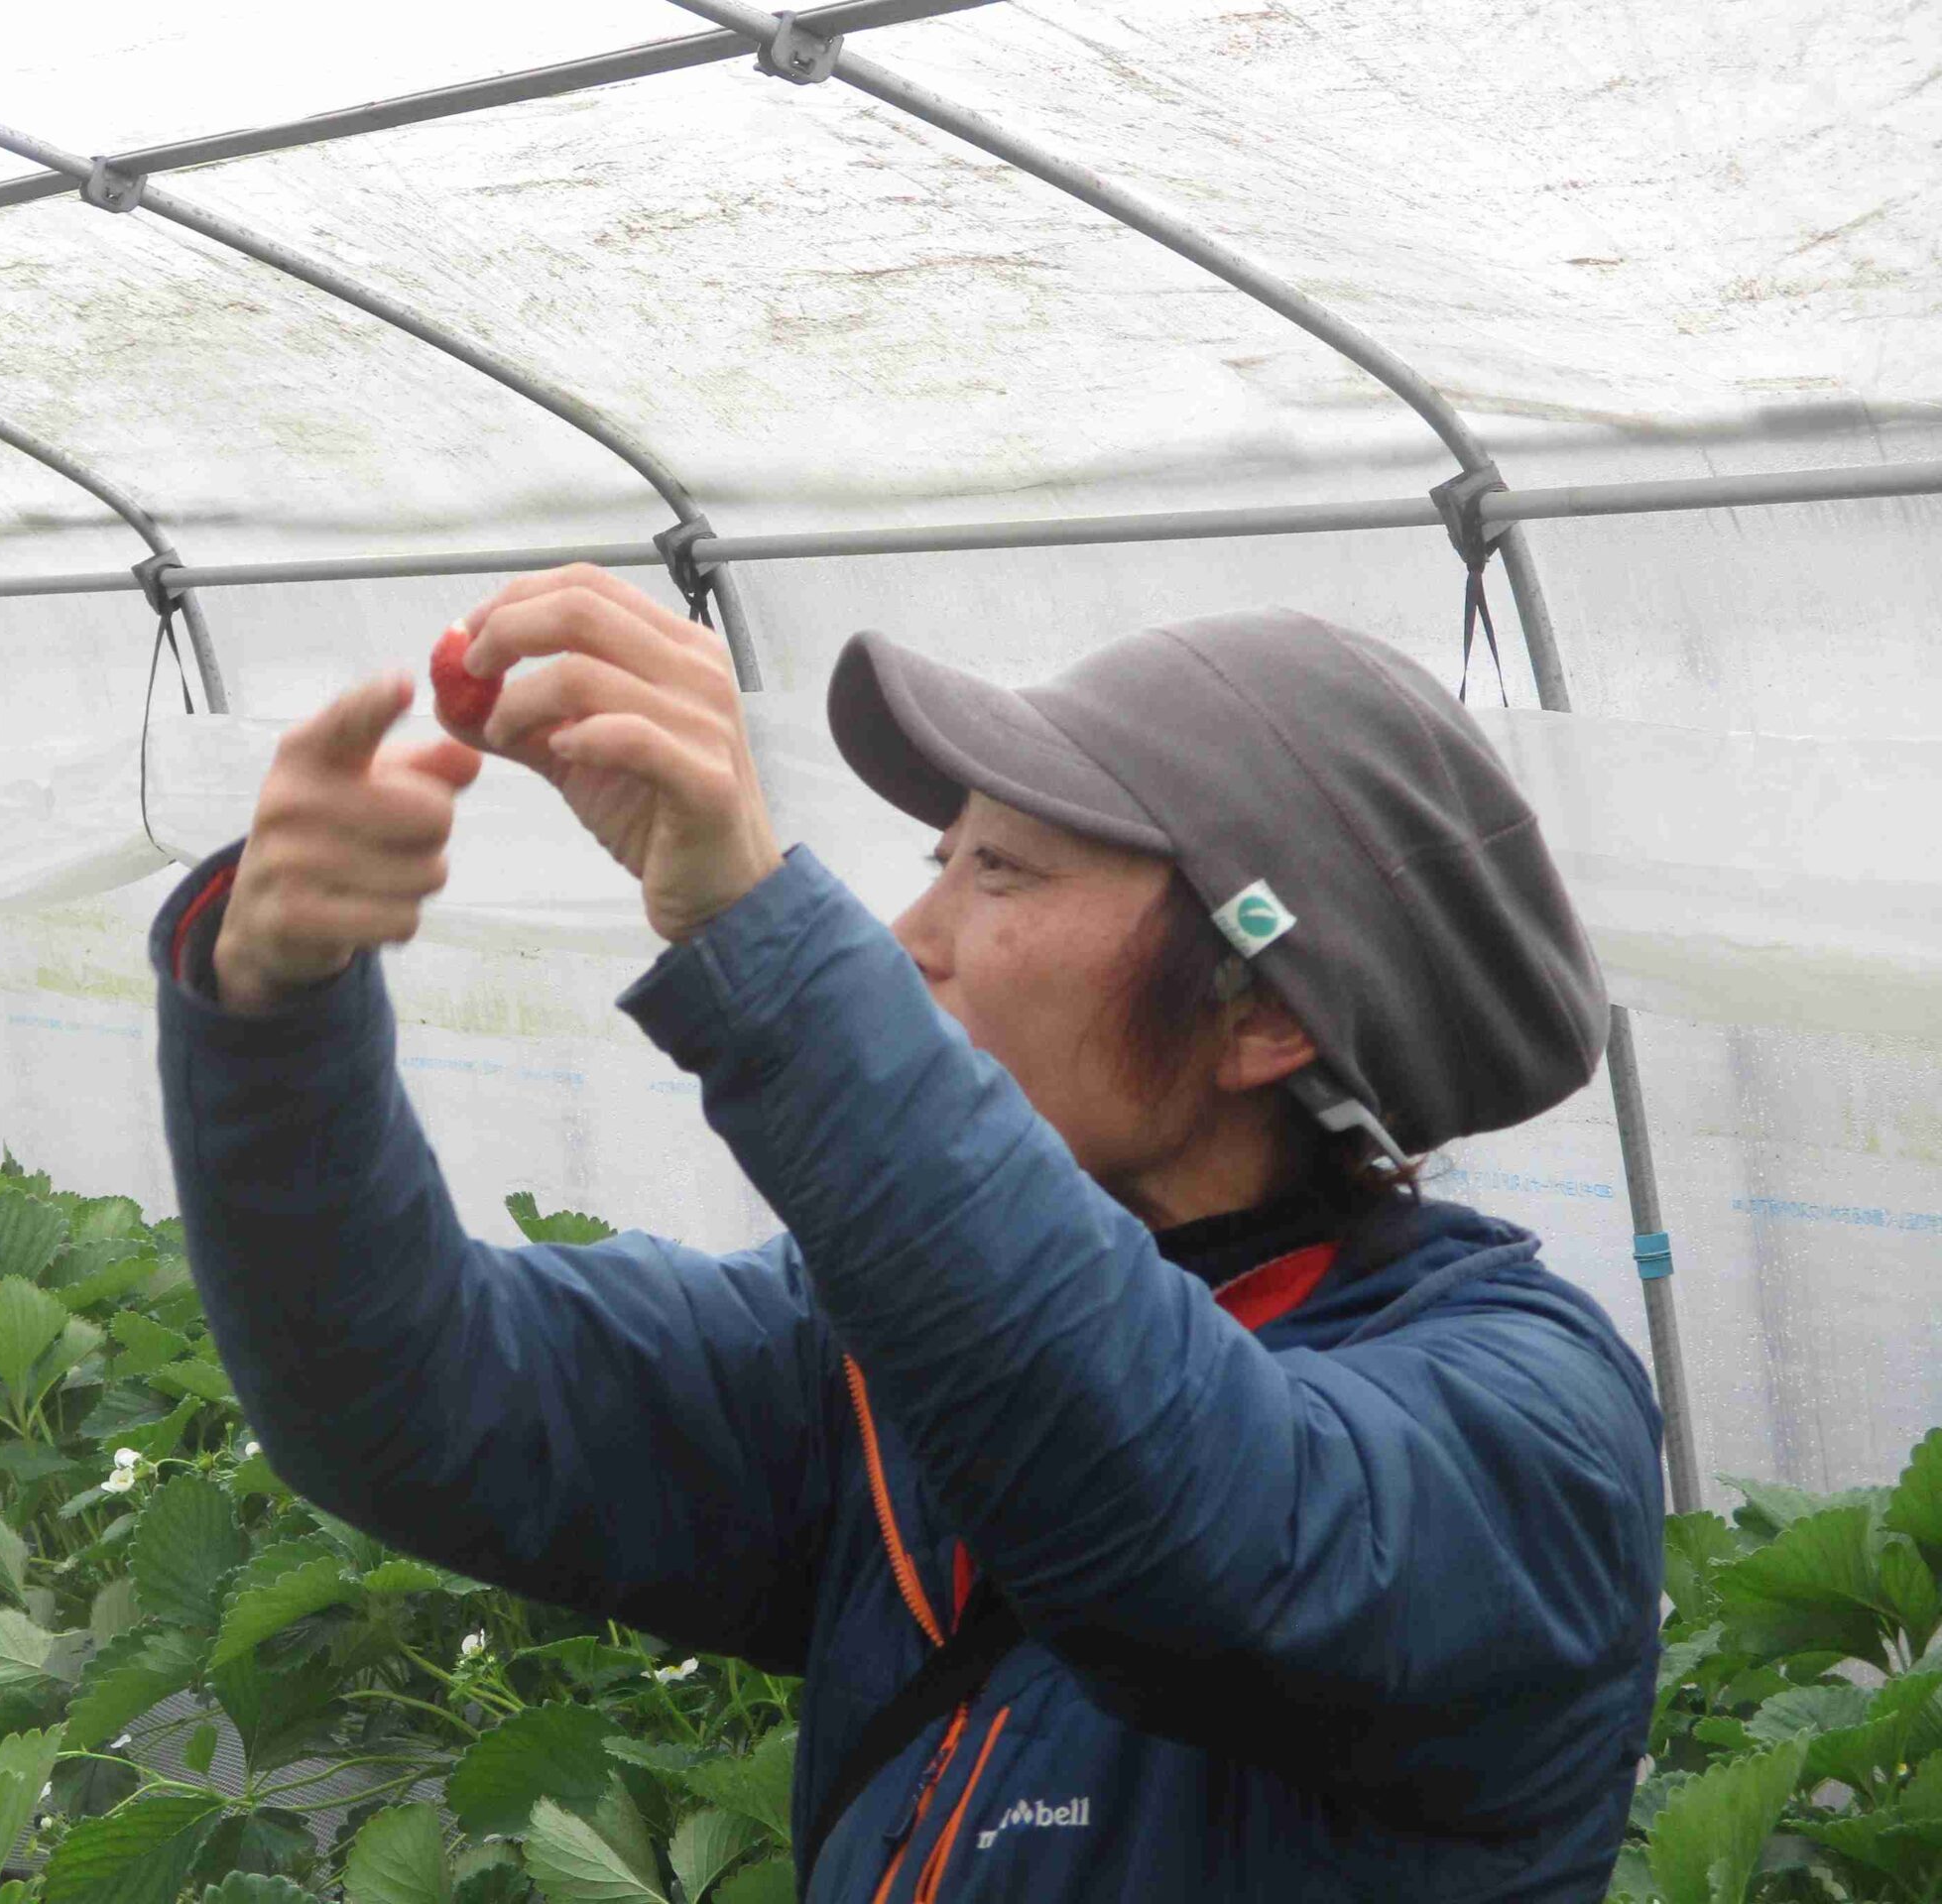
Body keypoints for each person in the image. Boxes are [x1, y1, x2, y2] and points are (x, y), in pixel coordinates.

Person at [152, 566, 1665, 1903]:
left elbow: (1188, 1512)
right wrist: (275, 1015)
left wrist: (759, 934)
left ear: (1261, 1010)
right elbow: (420, 1398)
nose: (908, 938)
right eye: (942, 858)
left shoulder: (1531, 1428)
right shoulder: (861, 1370)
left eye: (1003, 870)